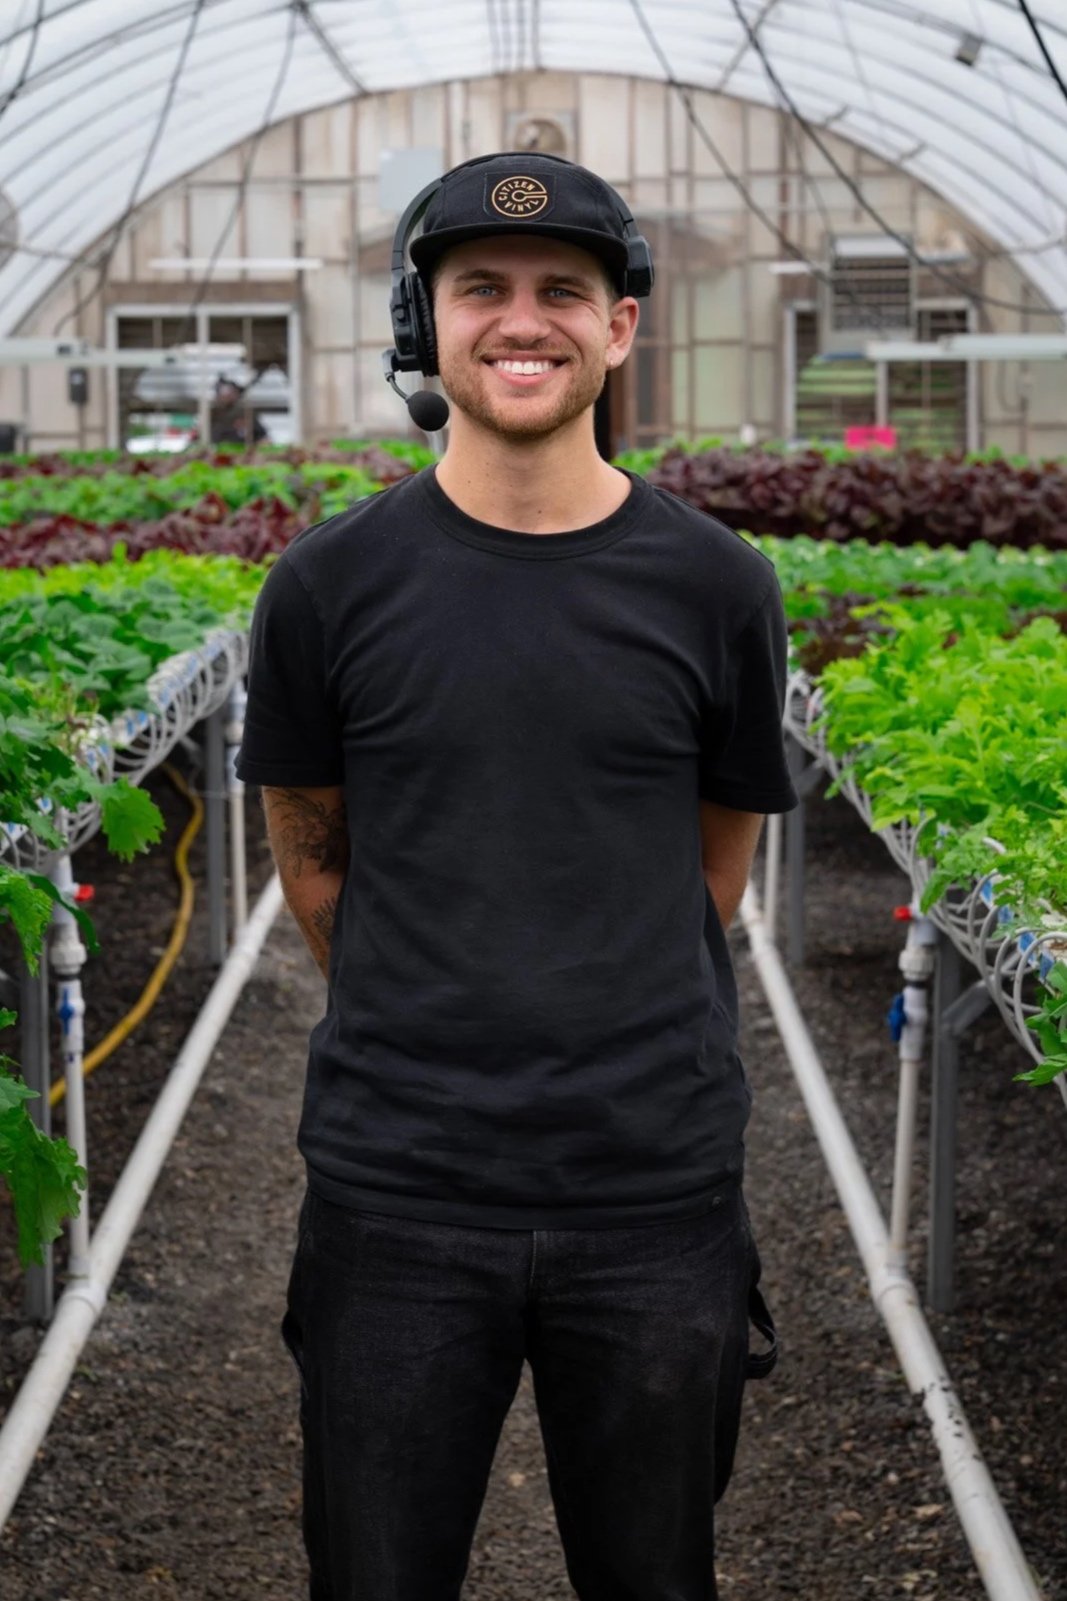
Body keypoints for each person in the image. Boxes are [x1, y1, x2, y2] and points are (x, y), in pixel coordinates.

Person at [235, 150, 799, 1601]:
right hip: (397, 1190)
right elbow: (315, 859)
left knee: (653, 1574)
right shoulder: (324, 587)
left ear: (620, 329)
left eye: (565, 290)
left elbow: (708, 864)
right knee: (374, 1572)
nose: (520, 319)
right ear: (422, 323)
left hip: (650, 1190)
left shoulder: (718, 588)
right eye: (477, 286)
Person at [207, 375, 267, 445]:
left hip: (242, 451)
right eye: (223, 393)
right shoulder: (212, 414)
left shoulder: (246, 413)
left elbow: (261, 435)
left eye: (230, 393)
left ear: (237, 394)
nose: (227, 396)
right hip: (218, 451)